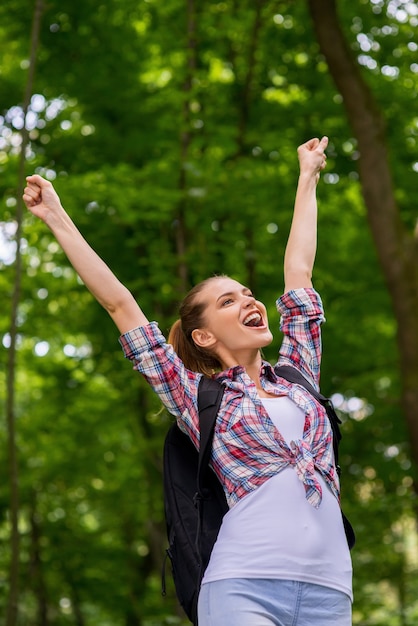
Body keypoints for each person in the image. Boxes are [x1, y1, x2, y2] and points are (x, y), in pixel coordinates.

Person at [23, 136, 353, 626]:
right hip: (244, 586)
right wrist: (55, 216)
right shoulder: (196, 396)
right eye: (227, 301)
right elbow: (120, 304)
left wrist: (308, 177)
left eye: (246, 293)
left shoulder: (298, 379)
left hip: (331, 591)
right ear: (202, 335)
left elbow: (299, 272)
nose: (248, 301)